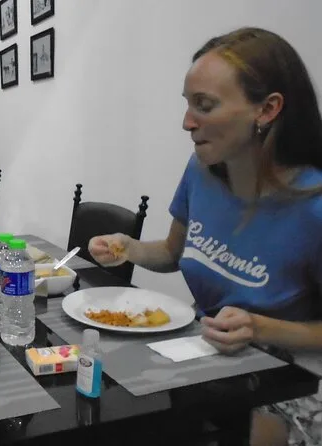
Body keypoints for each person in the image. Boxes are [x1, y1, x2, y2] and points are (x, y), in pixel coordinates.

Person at [89, 27, 322, 446]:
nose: (187, 122)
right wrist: (129, 248)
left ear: (267, 109)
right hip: (208, 360)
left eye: (205, 105)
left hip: (288, 379)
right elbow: (172, 252)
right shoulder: (201, 171)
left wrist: (259, 328)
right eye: (188, 103)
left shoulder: (313, 205)